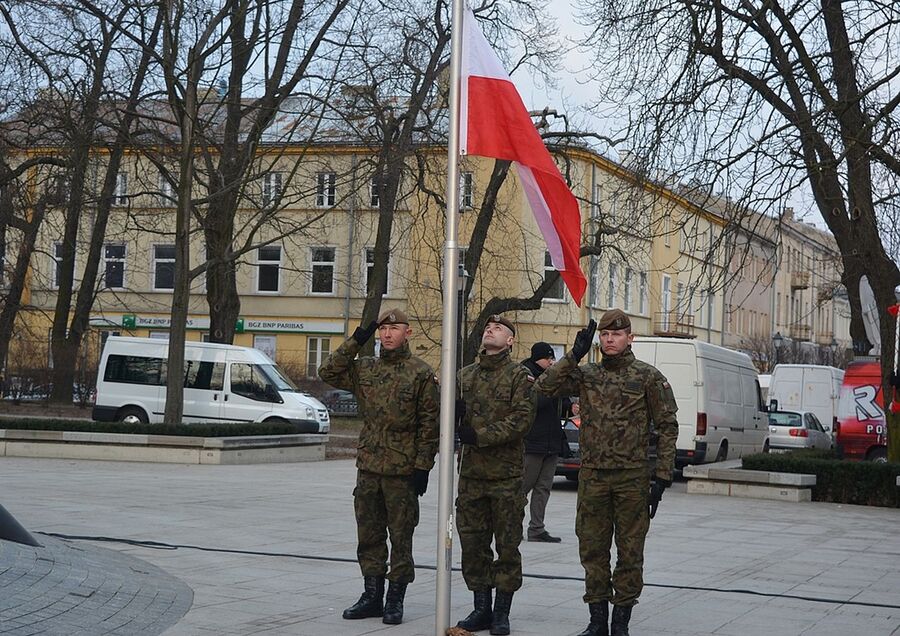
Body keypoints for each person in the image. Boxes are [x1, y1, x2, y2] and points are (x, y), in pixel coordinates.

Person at [534, 309, 678, 636]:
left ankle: (620, 624)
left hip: (632, 478)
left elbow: (668, 426)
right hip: (594, 477)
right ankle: (597, 622)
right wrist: (573, 354)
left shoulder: (647, 377)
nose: (610, 339)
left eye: (617, 334)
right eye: (605, 334)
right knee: (593, 550)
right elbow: (544, 386)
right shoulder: (587, 375)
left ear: (630, 337)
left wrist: (663, 476)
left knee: (629, 553)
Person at [318, 308, 439, 626]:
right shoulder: (366, 369)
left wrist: (423, 466)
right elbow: (327, 372)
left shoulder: (420, 372)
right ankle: (372, 595)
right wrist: (356, 340)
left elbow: (430, 424)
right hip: (369, 466)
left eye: (394, 328)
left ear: (407, 333)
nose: (387, 334)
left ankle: (395, 599)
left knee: (401, 536)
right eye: (383, 329)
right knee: (369, 535)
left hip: (402, 470)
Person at [455, 314, 535, 636]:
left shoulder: (520, 376)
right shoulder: (464, 376)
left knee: (506, 546)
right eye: (488, 327)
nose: (491, 330)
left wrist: (480, 435)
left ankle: (501, 611)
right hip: (471, 476)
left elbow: (521, 420)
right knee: (473, 546)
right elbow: (440, 416)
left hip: (505, 477)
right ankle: (481, 608)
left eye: (499, 329)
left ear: (511, 340)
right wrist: (451, 414)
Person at [521, 342, 569, 543]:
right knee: (522, 488)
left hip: (551, 442)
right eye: (548, 358)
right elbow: (534, 403)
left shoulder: (551, 377)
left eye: (553, 358)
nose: (551, 361)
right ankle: (510, 525)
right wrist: (551, 389)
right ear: (537, 357)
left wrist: (570, 407)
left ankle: (537, 529)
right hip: (532, 443)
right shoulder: (525, 374)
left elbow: (559, 404)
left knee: (543, 488)